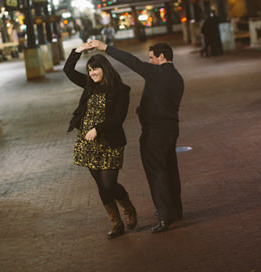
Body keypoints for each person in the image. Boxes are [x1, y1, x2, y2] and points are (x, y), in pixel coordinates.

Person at [87, 39, 185, 233]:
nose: (148, 62)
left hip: (154, 132)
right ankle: (175, 209)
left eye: (151, 58)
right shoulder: (177, 77)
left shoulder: (156, 73)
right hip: (171, 129)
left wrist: (105, 47)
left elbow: (130, 61)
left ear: (161, 57)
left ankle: (165, 215)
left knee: (156, 173)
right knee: (171, 170)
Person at [63, 42, 137, 239]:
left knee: (109, 184)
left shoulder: (121, 90)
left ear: (105, 69)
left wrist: (98, 128)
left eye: (95, 69)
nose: (92, 73)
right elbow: (68, 70)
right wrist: (77, 51)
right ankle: (116, 222)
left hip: (110, 141)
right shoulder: (89, 85)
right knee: (100, 185)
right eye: (89, 70)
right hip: (88, 141)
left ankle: (128, 208)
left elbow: (118, 118)